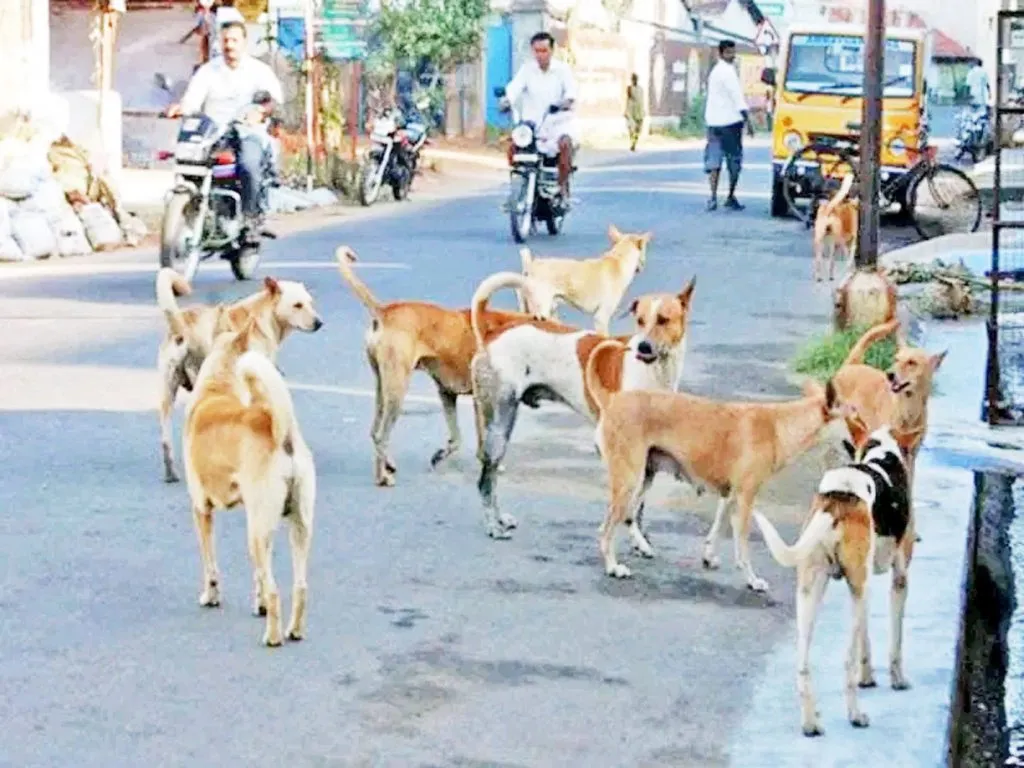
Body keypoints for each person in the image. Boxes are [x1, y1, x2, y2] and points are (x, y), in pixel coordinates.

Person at [166, 20, 284, 240]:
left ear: (244, 42)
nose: (229, 45)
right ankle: (197, 212)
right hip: (214, 132)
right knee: (191, 164)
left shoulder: (259, 70)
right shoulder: (208, 71)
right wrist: (180, 108)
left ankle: (251, 220)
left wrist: (260, 111)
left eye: (234, 40)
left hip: (247, 131)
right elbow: (192, 100)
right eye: (226, 40)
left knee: (248, 165)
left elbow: (273, 101)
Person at [500, 31, 579, 200]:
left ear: (552, 50)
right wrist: (506, 101)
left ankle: (562, 186)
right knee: (513, 145)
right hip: (532, 125)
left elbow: (571, 95)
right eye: (537, 51)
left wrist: (562, 104)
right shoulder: (527, 70)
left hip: (557, 123)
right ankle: (519, 180)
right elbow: (513, 89)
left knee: (565, 144)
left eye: (544, 51)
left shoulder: (562, 70)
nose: (540, 55)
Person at [703, 39, 754, 211]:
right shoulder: (728, 72)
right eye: (728, 53)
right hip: (731, 123)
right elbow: (737, 98)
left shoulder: (715, 71)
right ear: (721, 53)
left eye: (733, 52)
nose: (732, 56)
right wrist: (748, 120)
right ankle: (730, 196)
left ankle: (712, 197)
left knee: (714, 160)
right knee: (734, 161)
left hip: (713, 122)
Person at [625, 73, 645, 152]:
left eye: (635, 78)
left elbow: (641, 100)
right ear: (631, 80)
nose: (634, 80)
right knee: (631, 128)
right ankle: (632, 143)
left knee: (638, 129)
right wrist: (626, 111)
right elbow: (629, 99)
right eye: (633, 79)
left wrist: (643, 111)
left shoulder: (641, 89)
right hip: (631, 110)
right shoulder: (629, 88)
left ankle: (634, 144)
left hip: (639, 111)